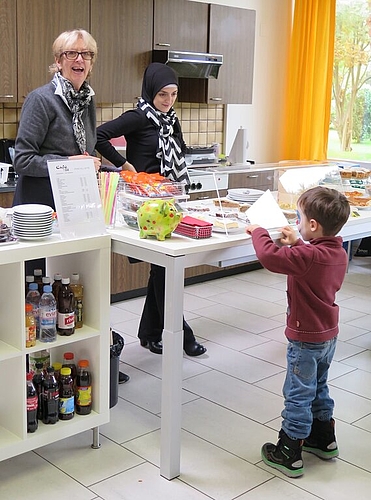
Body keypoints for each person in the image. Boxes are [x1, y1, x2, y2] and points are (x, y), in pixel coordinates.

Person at [12, 28, 129, 382]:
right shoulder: (41, 99)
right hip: (39, 212)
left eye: (86, 55)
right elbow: (23, 159)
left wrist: (104, 166)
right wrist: (72, 165)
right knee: (34, 290)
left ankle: (81, 353)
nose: (79, 60)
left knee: (73, 283)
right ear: (58, 60)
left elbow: (82, 150)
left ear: (92, 62)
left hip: (76, 208)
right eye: (71, 54)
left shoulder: (87, 100)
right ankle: (27, 368)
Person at [96, 62, 206, 357]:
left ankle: (148, 332)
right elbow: (99, 135)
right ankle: (182, 334)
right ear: (150, 92)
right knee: (164, 269)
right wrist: (123, 164)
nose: (168, 101)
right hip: (145, 204)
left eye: (173, 94)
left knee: (162, 269)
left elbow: (179, 149)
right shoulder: (137, 117)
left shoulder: (171, 120)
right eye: (162, 95)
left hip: (168, 199)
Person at [246, 186, 350, 478]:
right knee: (319, 387)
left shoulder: (309, 257)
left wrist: (258, 232)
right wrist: (297, 242)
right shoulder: (337, 252)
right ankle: (323, 438)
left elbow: (270, 257)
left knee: (297, 393)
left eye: (299, 219)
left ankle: (289, 451)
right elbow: (311, 257)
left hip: (305, 340)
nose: (297, 223)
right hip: (328, 335)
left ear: (313, 225)